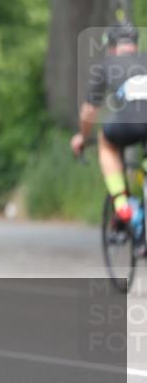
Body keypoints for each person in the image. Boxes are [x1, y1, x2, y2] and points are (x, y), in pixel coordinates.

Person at [71, 25, 147, 255]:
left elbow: (88, 112)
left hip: (126, 123)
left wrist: (82, 137)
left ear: (112, 47)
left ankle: (122, 206)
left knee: (106, 143)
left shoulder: (106, 65)